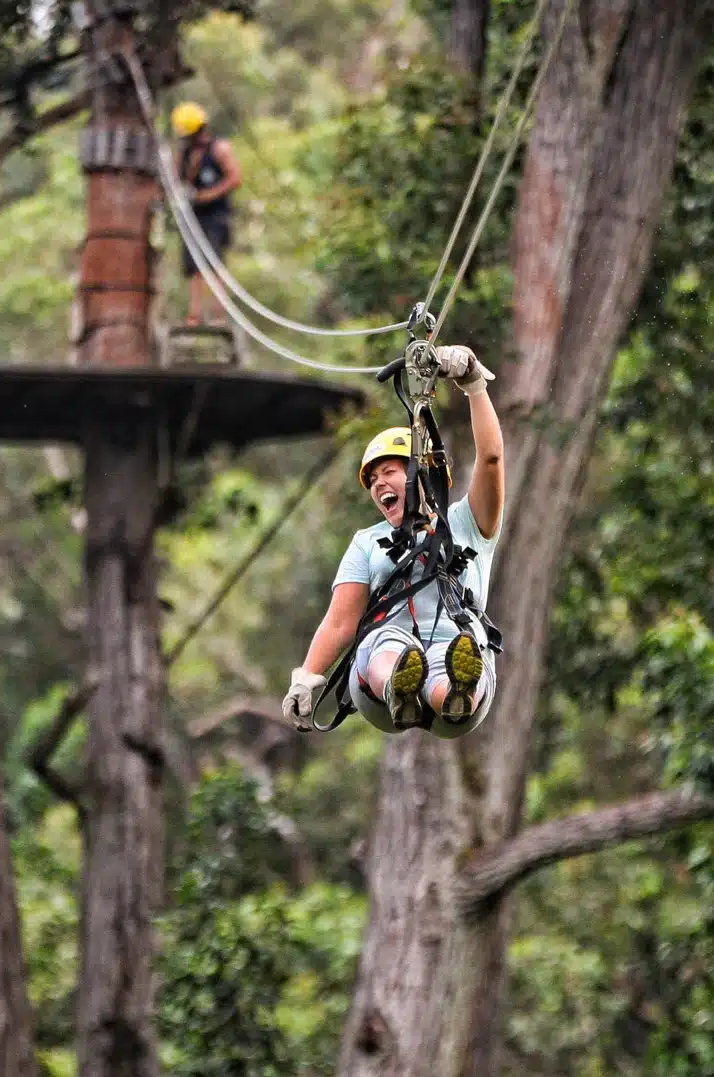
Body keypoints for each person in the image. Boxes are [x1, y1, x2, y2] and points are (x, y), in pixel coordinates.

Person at [280, 346, 504, 737]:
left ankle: (452, 692)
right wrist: (307, 677)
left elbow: (491, 460)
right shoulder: (368, 542)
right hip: (379, 681)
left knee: (455, 651)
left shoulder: (467, 523)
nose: (379, 484)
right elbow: (340, 622)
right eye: (373, 481)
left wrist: (473, 386)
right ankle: (401, 687)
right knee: (386, 639)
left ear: (423, 471)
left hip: (458, 648)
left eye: (389, 471)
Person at [171, 101, 242, 327]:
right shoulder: (183, 154)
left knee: (214, 264)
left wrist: (209, 195)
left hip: (215, 216)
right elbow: (175, 180)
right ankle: (195, 315)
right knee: (194, 268)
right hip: (193, 217)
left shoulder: (219, 149)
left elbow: (235, 178)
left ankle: (219, 314)